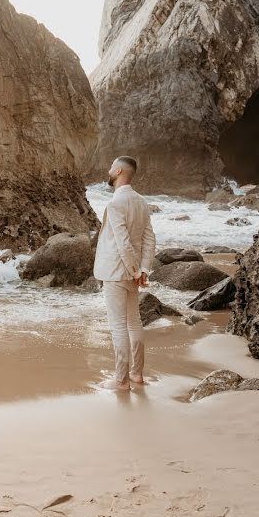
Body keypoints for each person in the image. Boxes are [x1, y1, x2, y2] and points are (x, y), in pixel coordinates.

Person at [93, 156, 156, 390]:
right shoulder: (141, 202)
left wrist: (133, 271)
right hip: (132, 272)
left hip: (116, 272)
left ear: (118, 171)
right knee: (134, 323)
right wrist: (143, 269)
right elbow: (149, 238)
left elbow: (122, 242)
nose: (108, 169)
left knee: (119, 326)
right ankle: (137, 375)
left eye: (111, 166)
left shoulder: (114, 204)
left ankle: (121, 380)